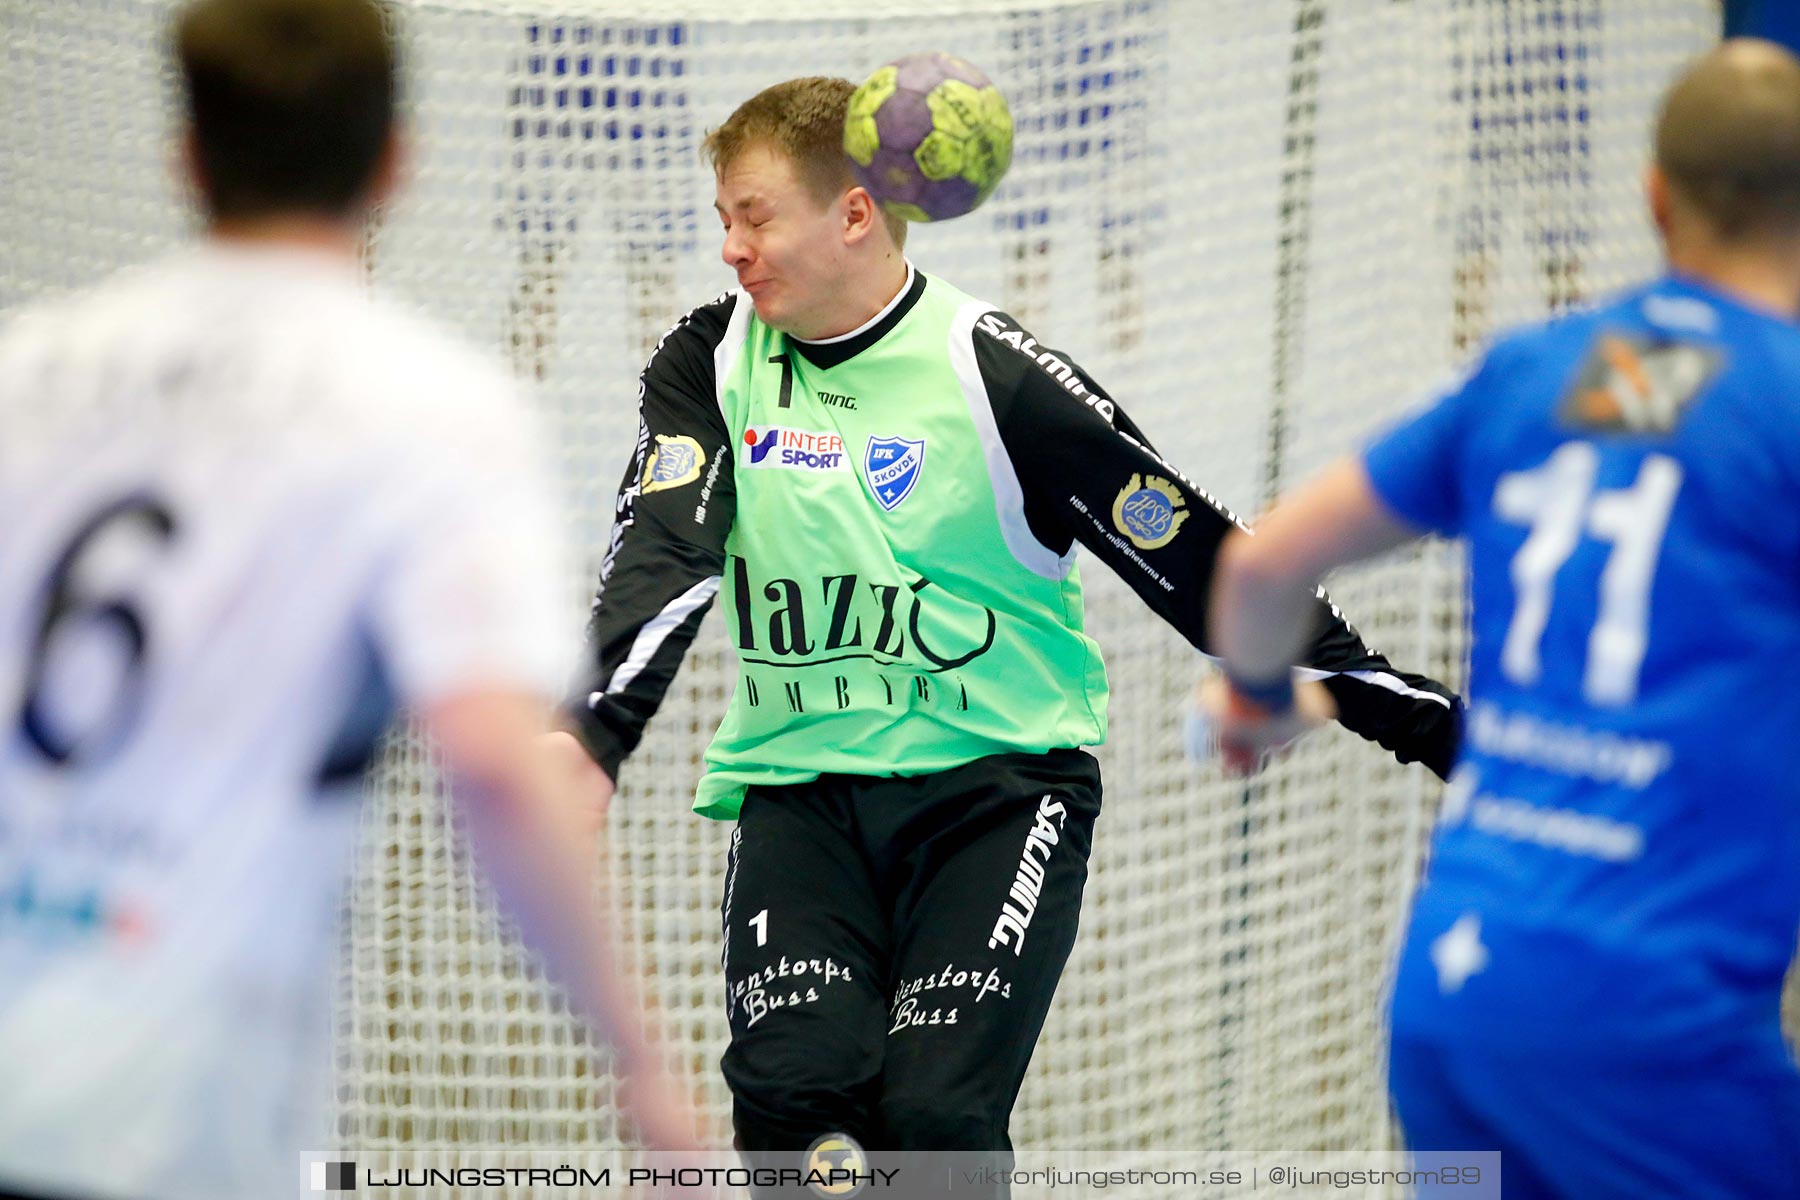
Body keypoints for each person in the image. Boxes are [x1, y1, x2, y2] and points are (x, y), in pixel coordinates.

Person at [543, 74, 1460, 1189]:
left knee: (930, 1120)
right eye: (721, 218)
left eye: (754, 215)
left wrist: (1440, 732)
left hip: (997, 796)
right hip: (801, 796)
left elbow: (1207, 569)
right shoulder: (709, 363)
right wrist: (589, 736)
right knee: (798, 1100)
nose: (731, 247)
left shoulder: (1003, 380)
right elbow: (667, 546)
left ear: (854, 214)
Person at [0, 2, 695, 1197]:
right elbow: (488, 755)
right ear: (395, 162)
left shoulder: (31, 365)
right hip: (171, 1111)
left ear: (187, 157)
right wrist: (639, 1061)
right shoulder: (428, 406)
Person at [1206, 38, 1800, 1200]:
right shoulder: (1783, 399)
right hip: (1653, 1028)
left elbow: (1263, 565)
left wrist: (1256, 697)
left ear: (1654, 198)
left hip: (1453, 1001)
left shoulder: (1540, 370)